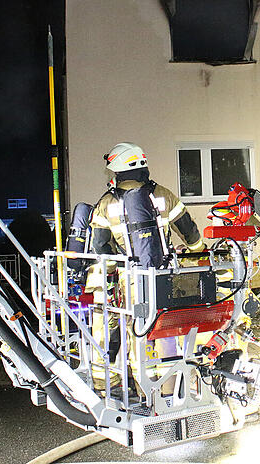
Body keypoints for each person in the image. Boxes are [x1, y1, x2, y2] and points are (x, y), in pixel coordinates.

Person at [85, 142, 204, 393]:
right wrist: (197, 254)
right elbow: (190, 234)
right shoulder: (163, 194)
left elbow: (99, 247)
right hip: (165, 276)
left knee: (136, 331)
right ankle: (171, 388)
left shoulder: (106, 203)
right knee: (166, 328)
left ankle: (142, 389)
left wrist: (114, 274)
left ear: (116, 169)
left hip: (130, 279)